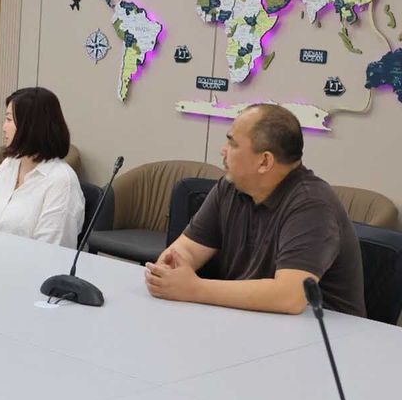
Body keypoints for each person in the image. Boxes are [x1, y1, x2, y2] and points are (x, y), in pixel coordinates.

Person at [145, 104, 365, 316]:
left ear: (264, 162)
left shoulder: (312, 205)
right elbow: (186, 250)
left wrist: (195, 289)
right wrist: (170, 270)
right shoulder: (231, 187)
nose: (223, 150)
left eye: (233, 144)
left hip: (325, 333)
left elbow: (290, 296)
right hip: (255, 321)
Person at [0, 87, 84, 248]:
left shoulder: (61, 181)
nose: (4, 127)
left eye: (9, 119)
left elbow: (52, 249)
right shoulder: (9, 165)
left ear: (31, 126)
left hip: (24, 262)